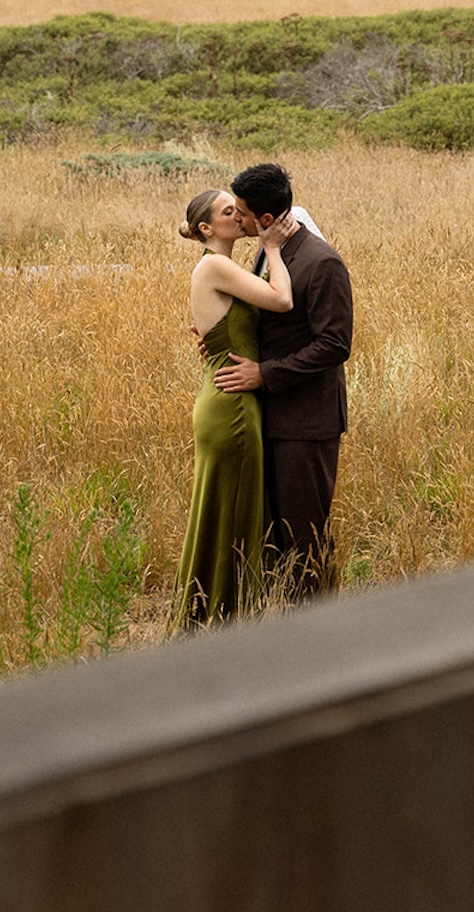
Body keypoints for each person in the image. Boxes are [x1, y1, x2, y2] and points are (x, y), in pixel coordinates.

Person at [213, 162, 353, 598]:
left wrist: (264, 373)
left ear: (267, 219)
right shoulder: (267, 249)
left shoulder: (322, 262)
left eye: (242, 212)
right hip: (273, 418)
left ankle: (319, 626)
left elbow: (335, 344)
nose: (237, 218)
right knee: (279, 537)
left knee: (306, 537)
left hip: (307, 425)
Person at [172, 188, 295, 626]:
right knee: (235, 517)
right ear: (207, 228)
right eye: (229, 211)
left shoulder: (217, 269)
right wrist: (273, 247)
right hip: (233, 408)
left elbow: (230, 327)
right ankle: (226, 620)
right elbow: (281, 300)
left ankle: (209, 615)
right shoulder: (217, 264)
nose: (239, 215)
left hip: (222, 398)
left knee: (220, 513)